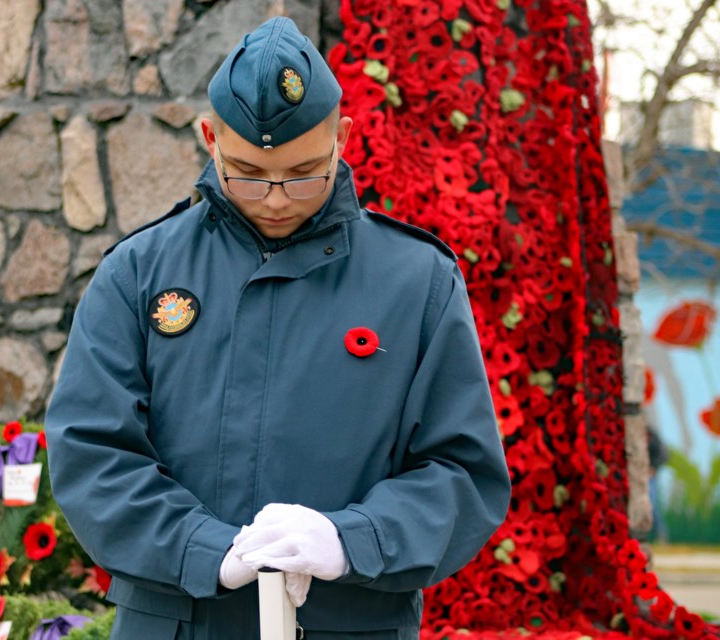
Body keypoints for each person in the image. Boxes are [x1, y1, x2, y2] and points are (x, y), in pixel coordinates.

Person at [46, 16, 511, 640]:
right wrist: (204, 548)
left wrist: (351, 539)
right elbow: (92, 454)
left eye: (301, 173)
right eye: (248, 172)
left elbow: (462, 470)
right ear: (210, 139)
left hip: (348, 625)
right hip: (178, 626)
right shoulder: (137, 274)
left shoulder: (417, 280)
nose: (274, 198)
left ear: (342, 138)